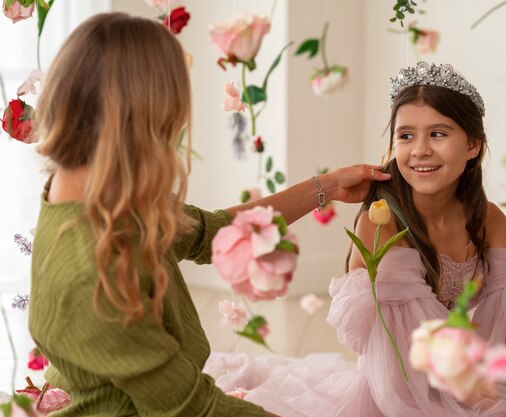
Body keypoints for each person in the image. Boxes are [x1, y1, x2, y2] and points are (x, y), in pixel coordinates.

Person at [206, 62, 506, 416]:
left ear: (473, 145)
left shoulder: (489, 219)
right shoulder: (382, 220)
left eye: (438, 134)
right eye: (406, 135)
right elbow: (405, 350)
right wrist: (483, 398)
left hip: (463, 363)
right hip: (402, 379)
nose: (420, 150)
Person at [28, 12, 390, 417]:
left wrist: (329, 185)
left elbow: (214, 233)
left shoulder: (105, 195)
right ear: (143, 115)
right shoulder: (92, 264)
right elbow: (192, 409)